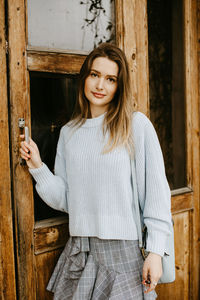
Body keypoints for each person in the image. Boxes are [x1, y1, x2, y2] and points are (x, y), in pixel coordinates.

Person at [20, 43, 172, 300]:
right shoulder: (70, 132)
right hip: (80, 251)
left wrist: (156, 253)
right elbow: (68, 200)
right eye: (94, 75)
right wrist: (37, 167)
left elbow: (157, 196)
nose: (100, 85)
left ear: (119, 85)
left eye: (110, 79)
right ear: (84, 78)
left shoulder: (135, 125)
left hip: (124, 255)